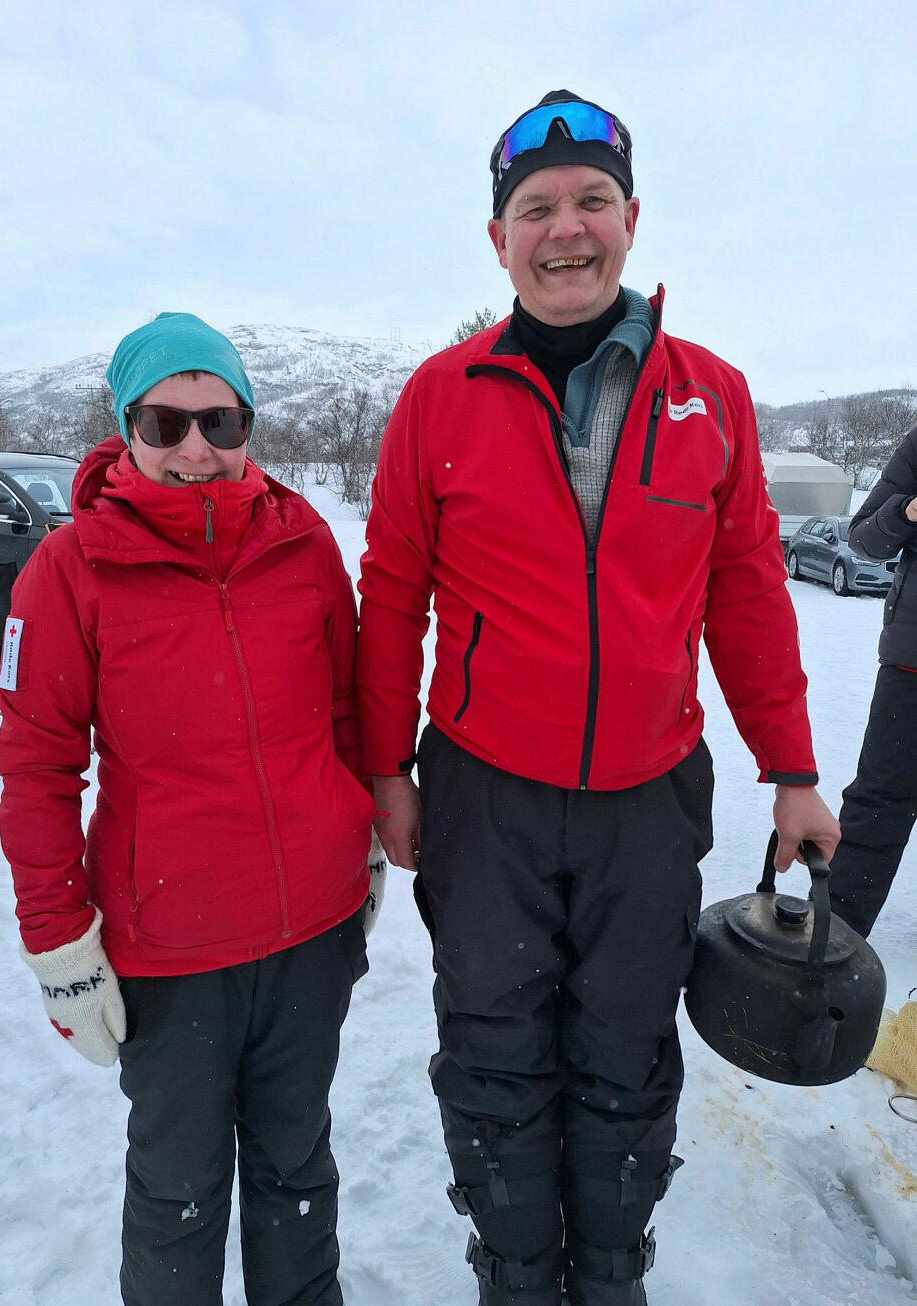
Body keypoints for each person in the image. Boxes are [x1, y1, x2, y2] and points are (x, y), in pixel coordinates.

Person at [356, 91, 840, 1306]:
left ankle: (611, 1272)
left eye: (587, 203)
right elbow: (391, 590)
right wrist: (385, 767)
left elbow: (743, 593)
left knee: (626, 1053)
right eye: (534, 209)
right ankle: (515, 1275)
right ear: (496, 238)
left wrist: (789, 766)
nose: (562, 231)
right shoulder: (438, 397)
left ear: (630, 219)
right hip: (483, 795)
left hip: (643, 801)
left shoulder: (709, 397)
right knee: (494, 1052)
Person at [0, 312, 375, 1306]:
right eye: (165, 424)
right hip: (171, 954)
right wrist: (60, 947)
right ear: (125, 428)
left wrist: (356, 847)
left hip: (310, 938)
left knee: (298, 1169)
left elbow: (344, 712)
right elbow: (36, 770)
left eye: (222, 420)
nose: (197, 448)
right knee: (178, 1194)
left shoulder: (303, 545)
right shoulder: (68, 572)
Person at [828, 423, 917, 937]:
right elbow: (864, 539)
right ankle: (831, 948)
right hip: (912, 668)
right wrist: (907, 510)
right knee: (878, 806)